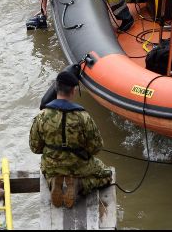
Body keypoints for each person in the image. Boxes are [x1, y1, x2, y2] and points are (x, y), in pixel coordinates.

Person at [29, 68, 113, 208]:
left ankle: (53, 182)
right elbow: (96, 147)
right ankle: (79, 185)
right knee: (107, 175)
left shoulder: (41, 116)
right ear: (73, 91)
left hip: (51, 165)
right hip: (78, 166)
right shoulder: (83, 117)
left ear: (56, 89)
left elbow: (35, 148)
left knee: (47, 170)